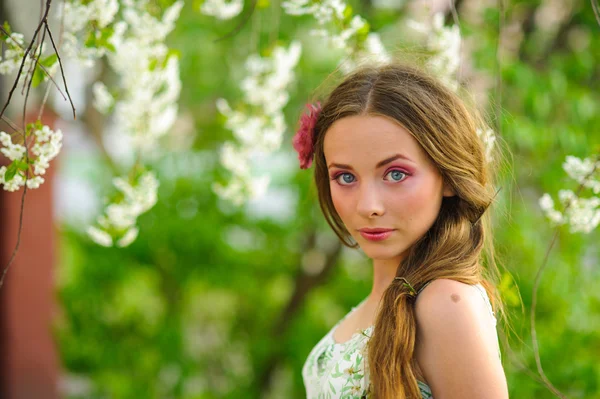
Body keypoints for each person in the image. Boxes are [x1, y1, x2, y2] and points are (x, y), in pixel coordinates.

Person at [293, 62, 509, 399]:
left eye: (395, 174)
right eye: (345, 177)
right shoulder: (379, 302)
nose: (368, 206)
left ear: (448, 176)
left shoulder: (445, 302)